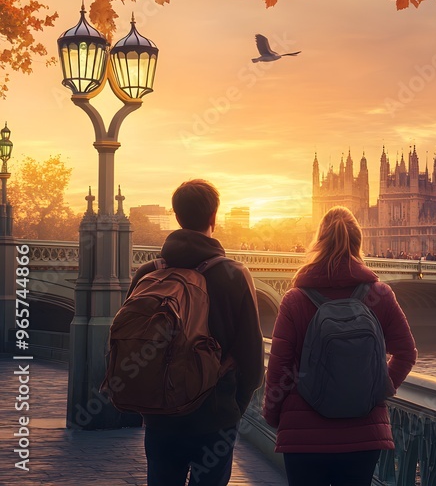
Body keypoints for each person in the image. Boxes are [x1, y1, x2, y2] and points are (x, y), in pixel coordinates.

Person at [264, 206, 417, 486]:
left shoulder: (295, 299)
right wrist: (375, 390)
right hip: (363, 434)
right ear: (358, 243)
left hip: (304, 437)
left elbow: (278, 370)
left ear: (319, 242)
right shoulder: (380, 294)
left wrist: (274, 416)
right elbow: (406, 353)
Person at [128, 179, 264, 486]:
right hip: (215, 416)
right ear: (214, 216)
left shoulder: (149, 273)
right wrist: (231, 408)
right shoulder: (234, 274)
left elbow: (128, 340)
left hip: (161, 417)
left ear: (177, 217)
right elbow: (253, 362)